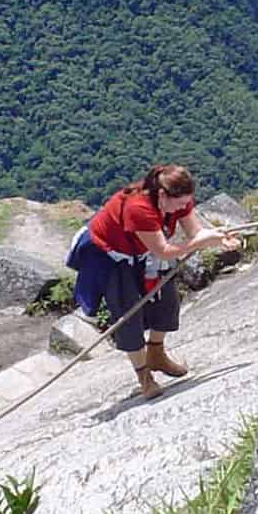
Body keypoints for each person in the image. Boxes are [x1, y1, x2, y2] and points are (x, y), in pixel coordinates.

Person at [67, 164, 240, 398]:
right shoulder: (139, 208)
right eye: (179, 203)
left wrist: (219, 239)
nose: (183, 207)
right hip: (111, 255)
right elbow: (164, 251)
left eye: (186, 202)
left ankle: (156, 354)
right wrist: (201, 244)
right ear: (162, 195)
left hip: (143, 251)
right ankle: (144, 376)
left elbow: (195, 233)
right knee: (128, 314)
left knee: (166, 301)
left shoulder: (175, 200)